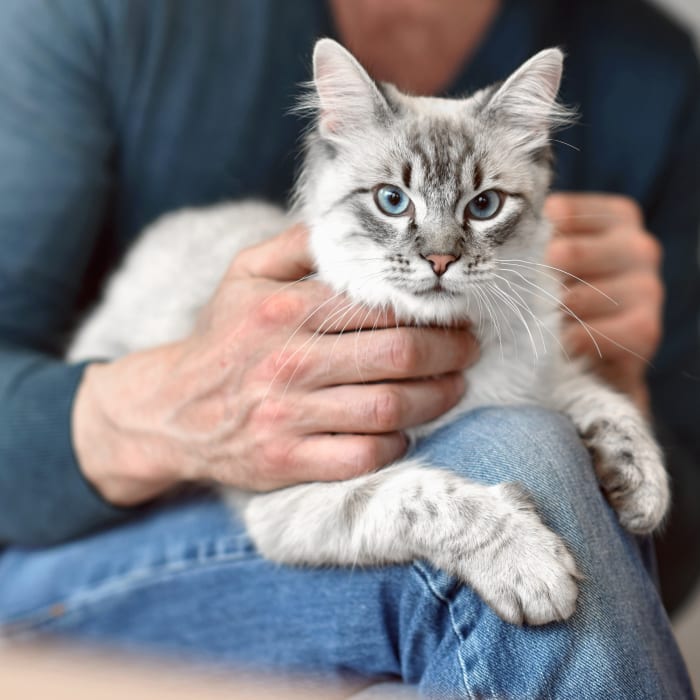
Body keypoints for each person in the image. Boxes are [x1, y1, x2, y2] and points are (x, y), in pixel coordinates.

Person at [0, 0, 697, 697]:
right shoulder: (91, 15)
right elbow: (283, 512)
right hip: (86, 532)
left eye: (482, 208)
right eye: (396, 204)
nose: (440, 254)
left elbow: (664, 559)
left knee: (531, 440)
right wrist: (170, 403)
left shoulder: (648, 70)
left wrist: (610, 390)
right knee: (522, 455)